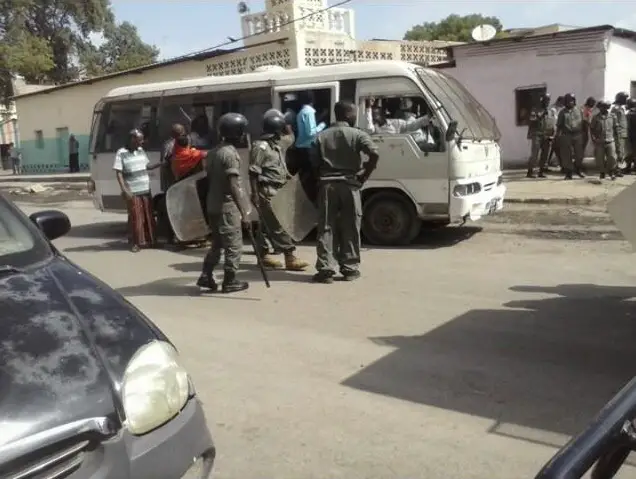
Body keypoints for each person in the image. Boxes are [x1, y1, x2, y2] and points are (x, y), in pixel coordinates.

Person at [311, 101, 379, 284]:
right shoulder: (358, 135)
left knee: (326, 226)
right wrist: (365, 175)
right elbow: (374, 153)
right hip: (350, 186)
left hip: (326, 186)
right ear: (348, 115)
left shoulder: (320, 136)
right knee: (350, 226)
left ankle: (325, 270)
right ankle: (349, 269)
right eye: (354, 113)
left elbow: (313, 164)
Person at [197, 113, 253, 294]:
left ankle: (206, 275)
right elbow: (233, 185)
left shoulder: (213, 152)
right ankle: (230, 281)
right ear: (237, 133)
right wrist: (244, 212)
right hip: (226, 208)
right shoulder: (230, 154)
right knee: (234, 246)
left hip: (212, 205)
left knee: (217, 244)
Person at [249, 108, 309, 271]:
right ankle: (290, 256)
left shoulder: (275, 146)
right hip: (266, 190)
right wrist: (254, 194)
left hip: (278, 188)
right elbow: (253, 171)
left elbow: (290, 140)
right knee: (278, 225)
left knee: (266, 225)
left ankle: (263, 255)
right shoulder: (261, 147)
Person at [113, 129, 160, 252]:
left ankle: (152, 241)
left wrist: (160, 164)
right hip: (132, 190)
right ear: (132, 139)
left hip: (145, 188)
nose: (142, 142)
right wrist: (124, 189)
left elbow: (147, 166)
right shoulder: (121, 153)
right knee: (135, 217)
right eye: (140, 140)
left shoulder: (140, 151)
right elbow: (118, 173)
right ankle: (135, 243)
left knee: (148, 216)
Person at [295, 91, 327, 203]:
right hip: (308, 149)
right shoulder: (308, 112)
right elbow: (311, 133)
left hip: (301, 148)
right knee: (312, 180)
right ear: (312, 100)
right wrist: (323, 125)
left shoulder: (302, 112)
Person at [526, 93, 556, 178]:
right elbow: (532, 119)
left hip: (546, 135)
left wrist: (552, 134)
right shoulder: (535, 109)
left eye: (548, 100)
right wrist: (542, 113)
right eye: (545, 100)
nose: (547, 102)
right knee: (534, 154)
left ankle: (541, 171)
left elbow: (552, 123)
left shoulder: (550, 111)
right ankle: (530, 171)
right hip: (537, 135)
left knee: (545, 154)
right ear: (542, 100)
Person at [556, 93, 585, 180]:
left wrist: (583, 134)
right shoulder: (562, 112)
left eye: (572, 100)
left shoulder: (579, 110)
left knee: (579, 154)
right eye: (568, 101)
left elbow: (583, 123)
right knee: (566, 155)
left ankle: (578, 169)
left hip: (577, 135)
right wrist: (558, 137)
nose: (570, 102)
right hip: (566, 135)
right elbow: (559, 126)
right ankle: (569, 173)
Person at [590, 100, 618, 180]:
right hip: (600, 141)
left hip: (610, 140)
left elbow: (615, 128)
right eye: (601, 107)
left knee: (612, 157)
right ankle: (602, 173)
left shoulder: (612, 116)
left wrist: (616, 139)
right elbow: (591, 129)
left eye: (605, 107)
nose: (603, 109)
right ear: (599, 108)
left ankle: (611, 172)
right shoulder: (595, 117)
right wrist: (594, 139)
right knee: (600, 158)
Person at [612, 91, 629, 173]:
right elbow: (615, 122)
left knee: (621, 151)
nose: (626, 100)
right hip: (619, 134)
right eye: (625, 98)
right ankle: (616, 169)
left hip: (623, 133)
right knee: (619, 151)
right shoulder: (616, 109)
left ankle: (618, 167)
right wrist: (617, 133)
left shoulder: (621, 108)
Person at [627, 98, 636, 173]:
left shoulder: (630, 114)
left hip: (632, 135)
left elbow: (628, 126)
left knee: (630, 151)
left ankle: (628, 167)